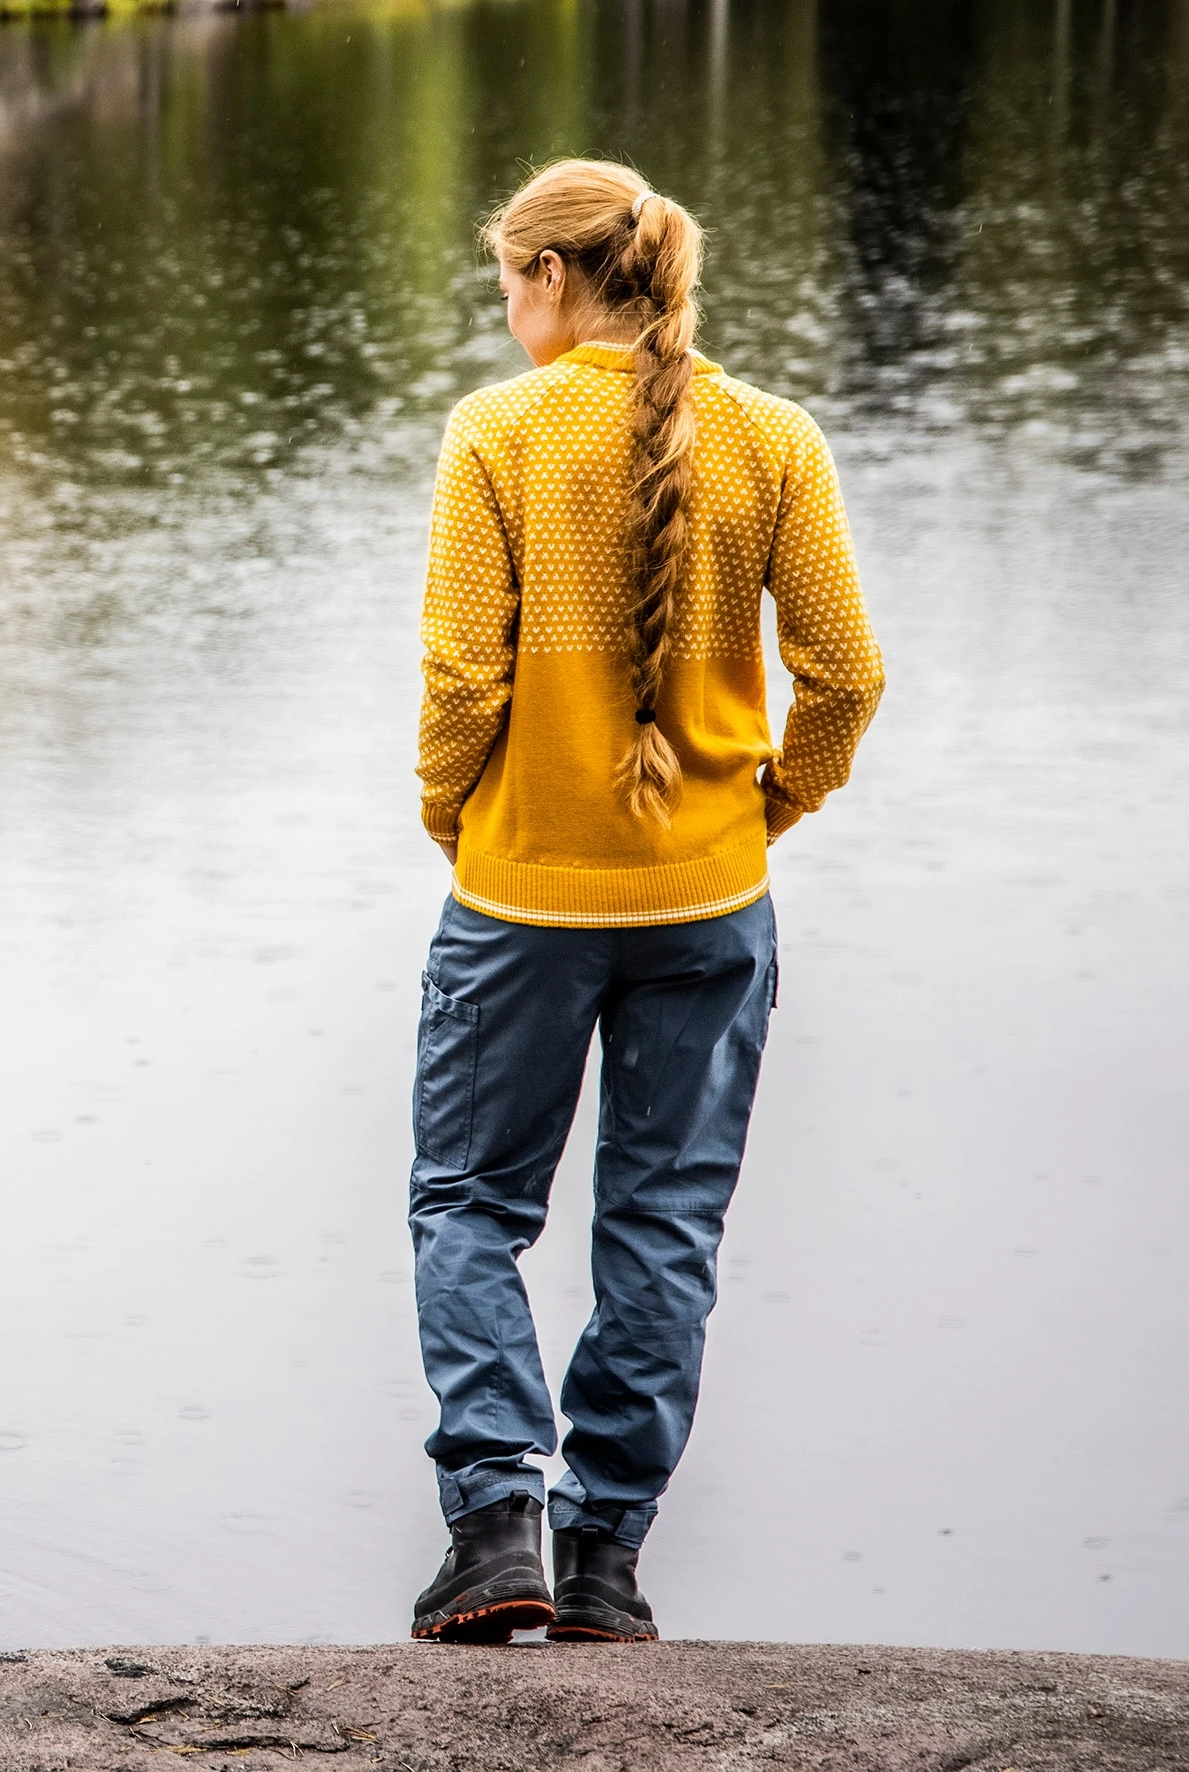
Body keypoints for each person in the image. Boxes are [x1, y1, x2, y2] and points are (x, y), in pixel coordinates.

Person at [407, 159, 884, 1645]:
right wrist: (763, 814)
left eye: (507, 280)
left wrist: (458, 819)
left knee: (471, 1207)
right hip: (710, 905)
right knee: (665, 1223)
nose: (505, 309)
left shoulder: (498, 434)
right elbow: (847, 674)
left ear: (551, 277)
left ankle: (498, 1535)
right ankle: (605, 1561)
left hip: (523, 901)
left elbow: (461, 683)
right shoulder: (775, 438)